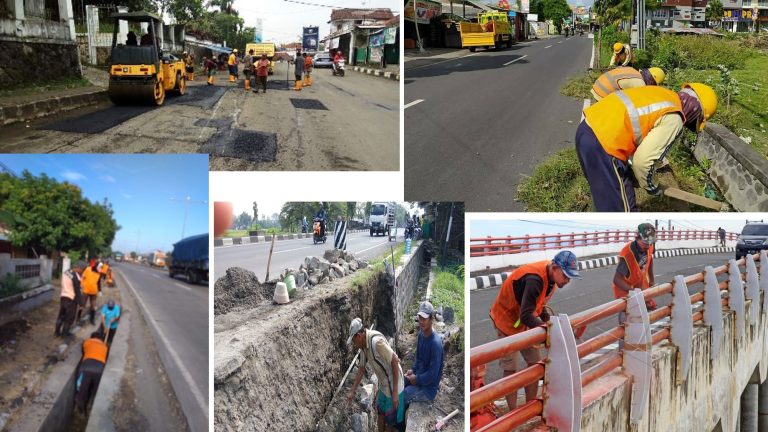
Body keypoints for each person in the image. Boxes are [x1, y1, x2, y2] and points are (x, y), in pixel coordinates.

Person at [575, 83, 718, 211]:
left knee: (605, 196)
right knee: (621, 211)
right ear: (696, 111)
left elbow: (633, 125)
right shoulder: (674, 117)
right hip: (604, 144)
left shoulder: (662, 94)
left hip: (587, 129)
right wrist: (652, 187)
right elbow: (643, 162)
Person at [488, 250, 580, 411]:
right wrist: (549, 332)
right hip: (507, 321)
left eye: (570, 277)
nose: (567, 280)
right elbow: (525, 315)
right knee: (511, 368)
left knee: (534, 364)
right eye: (565, 275)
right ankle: (513, 413)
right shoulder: (534, 279)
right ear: (555, 267)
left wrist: (550, 324)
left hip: (525, 323)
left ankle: (530, 408)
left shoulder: (551, 281)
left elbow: (539, 305)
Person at [347, 318, 405, 432]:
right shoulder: (364, 346)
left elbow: (394, 360)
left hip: (394, 384)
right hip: (384, 385)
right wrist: (352, 390)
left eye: (354, 341)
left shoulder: (376, 342)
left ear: (359, 336)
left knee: (390, 422)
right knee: (381, 413)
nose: (354, 344)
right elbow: (362, 368)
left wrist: (394, 393)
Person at [403, 301, 444, 405]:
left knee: (405, 395)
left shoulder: (435, 344)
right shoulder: (421, 335)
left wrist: (416, 379)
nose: (421, 321)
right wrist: (413, 370)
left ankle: (398, 420)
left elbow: (432, 375)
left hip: (428, 389)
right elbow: (418, 359)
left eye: (424, 318)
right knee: (400, 382)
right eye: (420, 318)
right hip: (419, 376)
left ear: (431, 319)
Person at [613, 223, 656, 312]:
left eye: (650, 243)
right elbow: (617, 279)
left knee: (649, 306)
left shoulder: (649, 246)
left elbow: (649, 259)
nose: (648, 246)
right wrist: (634, 292)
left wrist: (651, 280)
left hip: (639, 283)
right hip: (625, 288)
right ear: (637, 238)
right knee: (630, 313)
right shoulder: (628, 254)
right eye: (645, 243)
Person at [75, 332, 108, 413]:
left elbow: (83, 353)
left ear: (91, 337)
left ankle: (80, 405)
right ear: (100, 339)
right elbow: (105, 357)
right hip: (99, 369)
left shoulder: (87, 341)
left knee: (82, 389)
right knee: (96, 390)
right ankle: (91, 406)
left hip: (86, 367)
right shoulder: (105, 346)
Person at [591, 67, 666, 101]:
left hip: (597, 85)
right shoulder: (640, 84)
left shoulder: (633, 70)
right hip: (603, 93)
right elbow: (637, 103)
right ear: (652, 81)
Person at [55, 261, 84, 338]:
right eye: (82, 270)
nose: (82, 272)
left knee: (61, 316)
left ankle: (56, 333)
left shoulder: (66, 272)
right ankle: (64, 334)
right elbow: (77, 291)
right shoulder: (75, 277)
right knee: (69, 318)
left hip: (63, 296)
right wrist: (81, 304)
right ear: (78, 268)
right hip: (71, 299)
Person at [81, 261, 101, 325]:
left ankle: (92, 319)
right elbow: (82, 277)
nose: (100, 269)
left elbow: (98, 282)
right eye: (99, 267)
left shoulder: (99, 273)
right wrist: (82, 285)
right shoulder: (88, 269)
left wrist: (100, 290)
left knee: (93, 306)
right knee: (82, 304)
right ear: (95, 266)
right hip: (86, 290)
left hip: (94, 291)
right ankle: (78, 317)